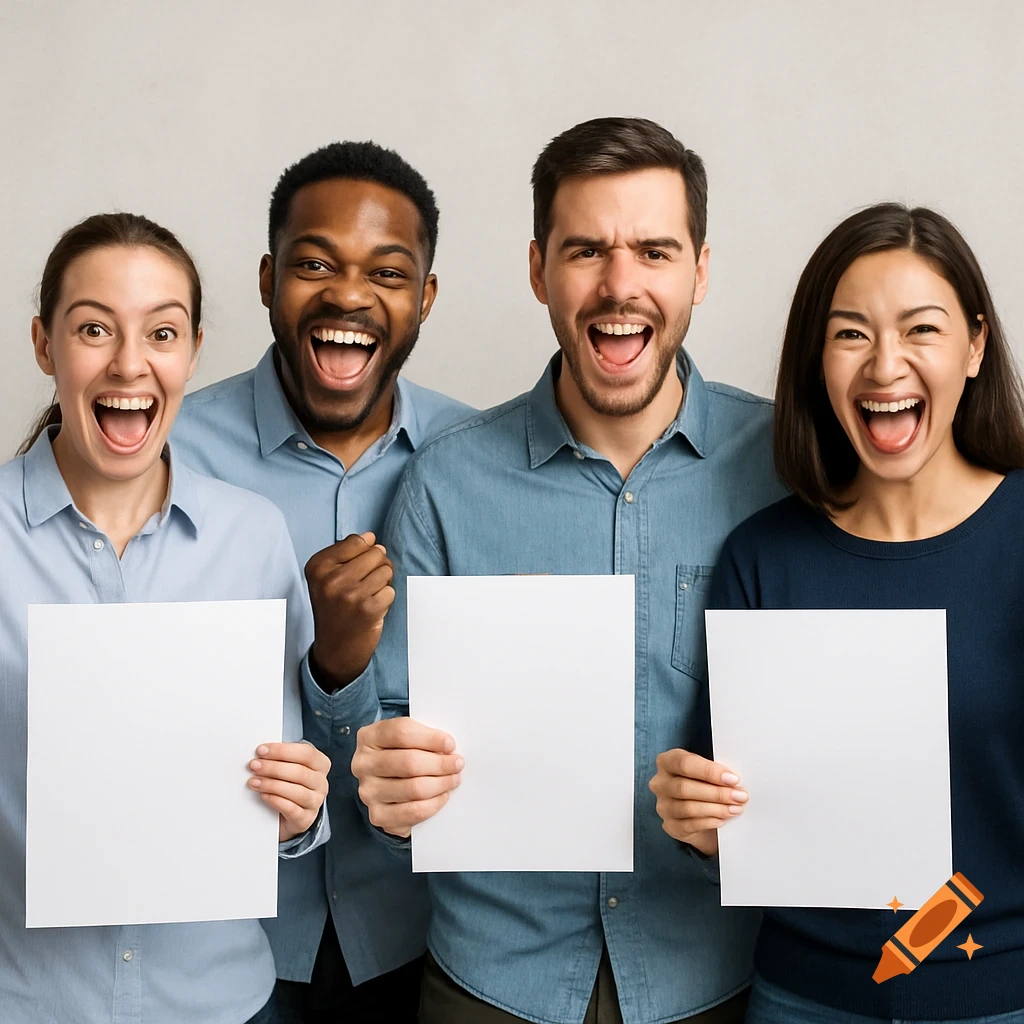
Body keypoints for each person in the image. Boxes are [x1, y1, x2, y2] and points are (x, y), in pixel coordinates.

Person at [342, 117, 786, 1024]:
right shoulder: (445, 483)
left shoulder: (786, 467)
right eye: (587, 250)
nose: (620, 285)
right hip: (489, 985)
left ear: (700, 270)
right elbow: (386, 755)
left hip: (718, 983)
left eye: (654, 250)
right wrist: (389, 794)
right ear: (539, 268)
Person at [650, 203, 1024, 1022]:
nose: (884, 366)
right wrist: (697, 820)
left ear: (976, 345)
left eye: (920, 329)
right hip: (799, 999)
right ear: (817, 361)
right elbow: (736, 818)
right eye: (850, 333)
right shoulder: (762, 557)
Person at [0, 212, 331, 1024]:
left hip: (226, 1002)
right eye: (93, 329)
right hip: (32, 1002)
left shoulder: (254, 536)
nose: (129, 363)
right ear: (44, 345)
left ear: (191, 351)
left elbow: (281, 792)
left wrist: (300, 811)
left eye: (161, 332)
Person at [172, 141, 473, 1023]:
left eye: (387, 271)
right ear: (267, 280)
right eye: (313, 264)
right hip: (219, 940)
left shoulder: (478, 461)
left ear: (424, 298)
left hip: (420, 936)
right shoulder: (165, 452)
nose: (347, 295)